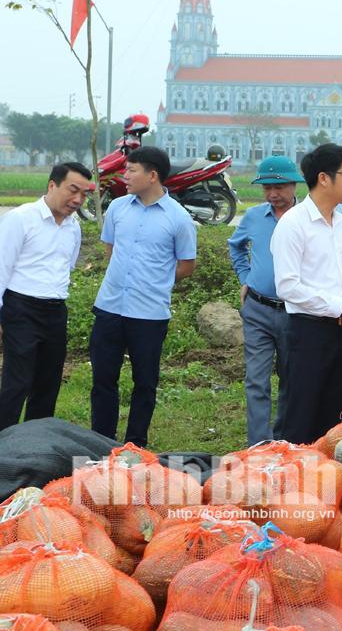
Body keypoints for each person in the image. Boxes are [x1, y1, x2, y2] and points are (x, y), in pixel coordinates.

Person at [270, 143, 342, 444]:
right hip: (307, 333)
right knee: (300, 415)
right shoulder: (293, 224)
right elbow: (288, 286)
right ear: (323, 178)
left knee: (335, 416)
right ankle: (293, 470)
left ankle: (327, 471)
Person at [90, 147, 197, 447]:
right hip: (110, 307)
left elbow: (186, 265)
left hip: (149, 314)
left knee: (145, 382)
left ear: (152, 176)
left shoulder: (178, 218)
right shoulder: (117, 208)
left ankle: (135, 445)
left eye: (131, 170)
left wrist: (156, 282)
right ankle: (102, 441)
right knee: (103, 380)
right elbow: (110, 250)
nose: (125, 175)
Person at [0, 162, 92, 431]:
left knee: (48, 383)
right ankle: (5, 441)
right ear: (52, 185)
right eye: (73, 190)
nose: (78, 199)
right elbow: (2, 268)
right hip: (21, 308)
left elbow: (67, 266)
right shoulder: (20, 218)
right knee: (17, 382)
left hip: (55, 311)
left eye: (84, 194)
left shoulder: (74, 227)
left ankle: (37, 443)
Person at [227, 156, 304, 446]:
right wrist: (245, 277)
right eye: (267, 188)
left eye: (279, 187)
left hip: (296, 312)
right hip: (258, 308)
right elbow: (236, 247)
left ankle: (283, 441)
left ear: (294, 185)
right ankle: (259, 445)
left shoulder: (306, 218)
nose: (273, 194)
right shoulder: (254, 216)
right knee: (256, 380)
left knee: (291, 377)